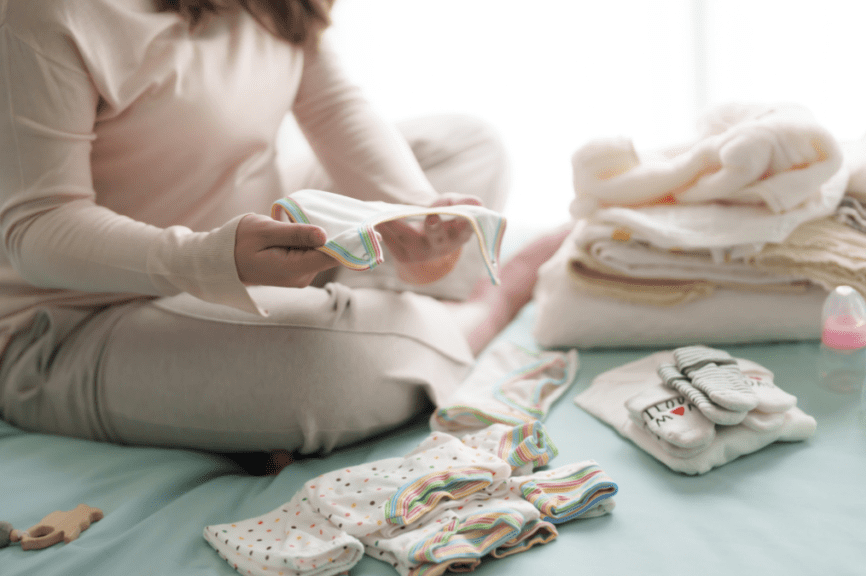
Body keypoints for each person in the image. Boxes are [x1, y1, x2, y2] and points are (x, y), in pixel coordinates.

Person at [0, 0, 567, 467]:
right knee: (321, 364)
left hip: (242, 238)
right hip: (77, 320)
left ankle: (376, 334)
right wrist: (210, 259)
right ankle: (479, 314)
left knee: (467, 147)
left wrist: (414, 215)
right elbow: (35, 226)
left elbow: (332, 105)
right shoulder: (42, 13)